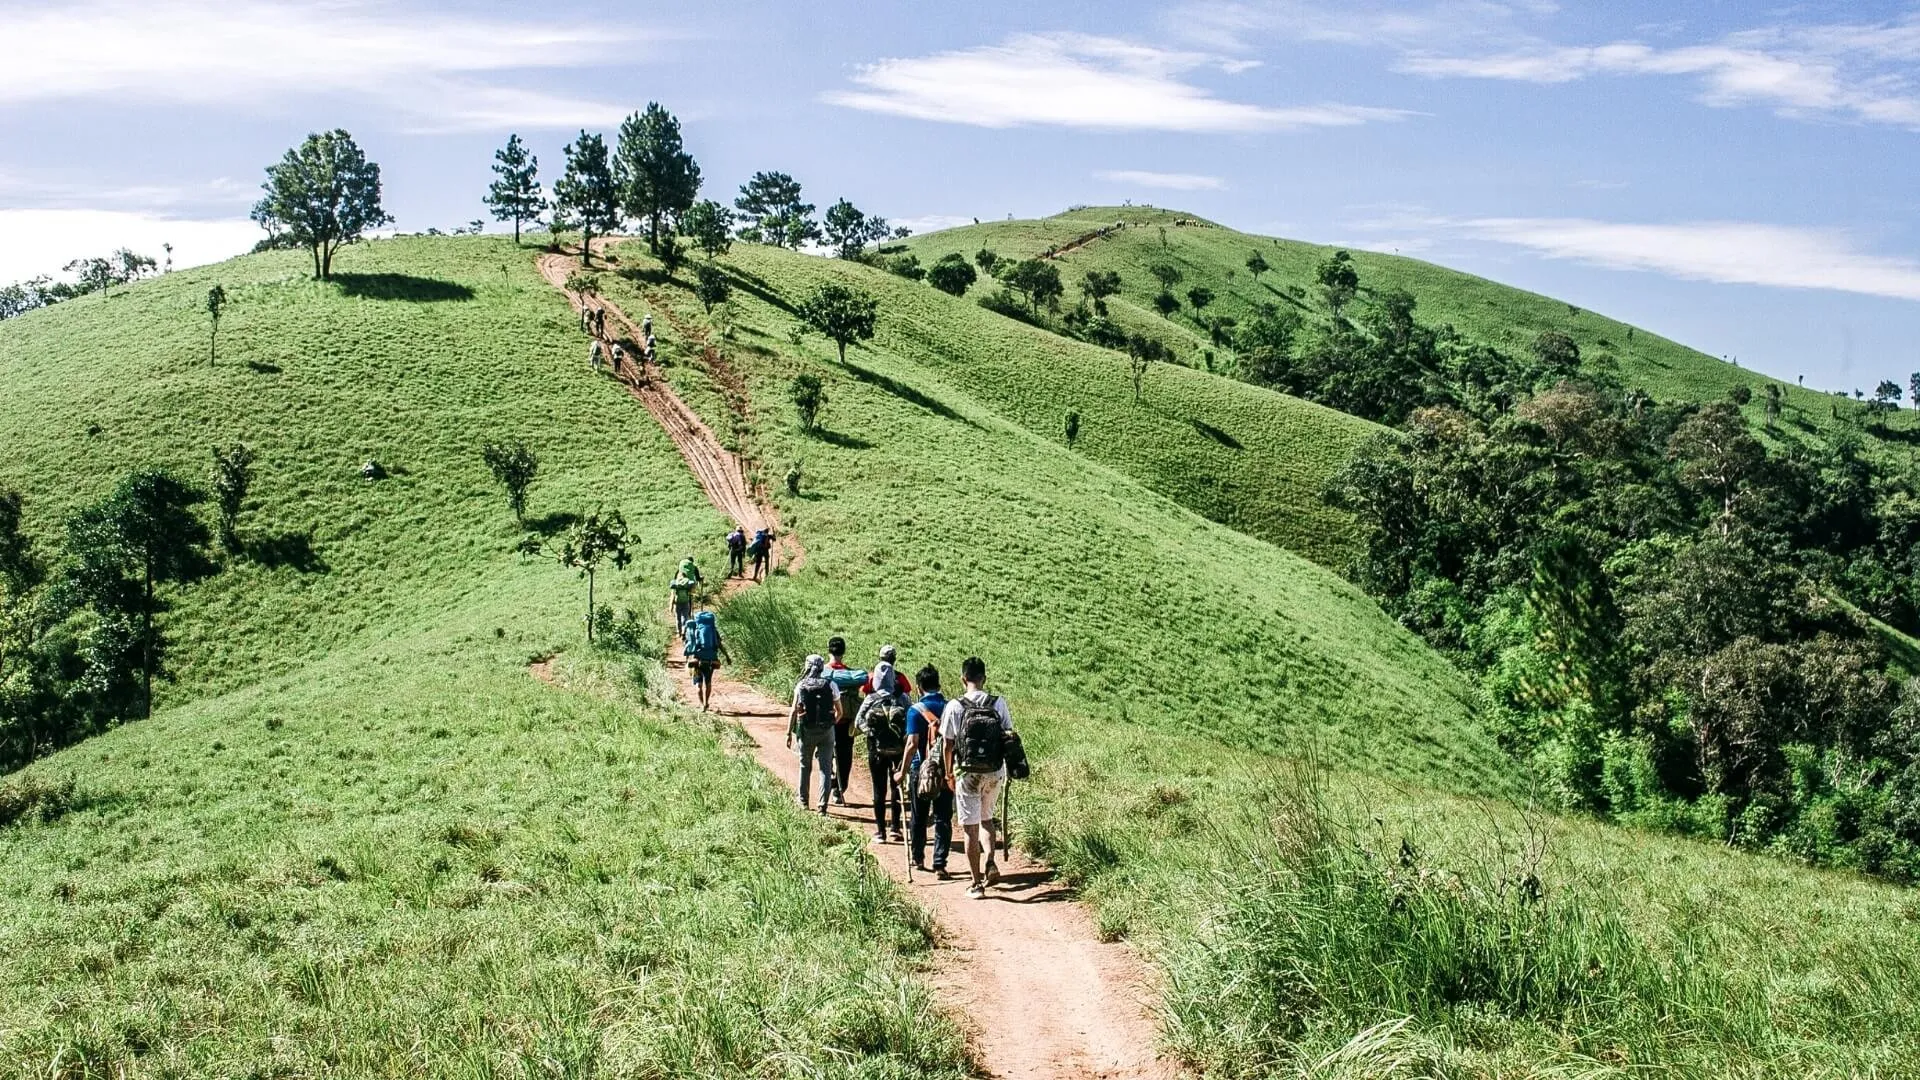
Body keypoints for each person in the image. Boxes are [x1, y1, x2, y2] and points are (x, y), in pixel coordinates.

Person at [941, 656, 1015, 899]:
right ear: (984, 678)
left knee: (969, 828)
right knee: (987, 819)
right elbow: (1009, 735)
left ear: (963, 679)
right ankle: (991, 861)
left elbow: (948, 744)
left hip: (967, 772)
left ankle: (976, 884)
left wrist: (948, 772)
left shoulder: (955, 706)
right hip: (994, 771)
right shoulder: (998, 703)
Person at [902, 664, 953, 876]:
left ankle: (918, 857)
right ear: (939, 684)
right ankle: (940, 862)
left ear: (918, 687)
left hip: (920, 769)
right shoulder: (951, 707)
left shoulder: (915, 710)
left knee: (919, 815)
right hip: (945, 770)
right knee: (943, 817)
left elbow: (912, 743)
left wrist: (901, 770)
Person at [856, 653, 911, 843]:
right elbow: (909, 721)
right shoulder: (902, 698)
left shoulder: (871, 698)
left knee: (878, 790)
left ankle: (881, 831)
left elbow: (858, 722)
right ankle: (896, 828)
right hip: (898, 751)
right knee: (896, 787)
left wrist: (871, 732)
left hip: (876, 750)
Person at [787, 655, 838, 814]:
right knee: (825, 767)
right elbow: (840, 711)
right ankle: (822, 806)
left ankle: (803, 801)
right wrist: (830, 724)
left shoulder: (801, 685)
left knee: (805, 766)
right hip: (826, 731)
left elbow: (794, 710)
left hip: (806, 730)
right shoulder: (831, 685)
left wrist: (788, 732)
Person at [826, 635, 858, 805]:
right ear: (843, 652)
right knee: (845, 757)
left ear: (828, 649)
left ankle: (829, 784)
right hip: (846, 724)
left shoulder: (822, 672)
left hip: (827, 723)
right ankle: (839, 789)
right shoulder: (851, 676)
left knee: (826, 754)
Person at [682, 609, 730, 711]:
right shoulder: (713, 631)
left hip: (697, 660)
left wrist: (687, 657)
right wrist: (727, 657)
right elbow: (719, 645)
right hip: (711, 659)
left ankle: (701, 704)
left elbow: (689, 645)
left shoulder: (695, 629)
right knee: (708, 682)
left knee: (698, 684)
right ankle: (706, 702)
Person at [669, 556, 702, 637]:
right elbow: (698, 578)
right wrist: (700, 579)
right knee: (687, 607)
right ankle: (687, 624)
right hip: (689, 589)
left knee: (678, 617)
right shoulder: (694, 567)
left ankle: (678, 632)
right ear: (692, 562)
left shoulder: (680, 569)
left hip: (678, 599)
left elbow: (674, 580)